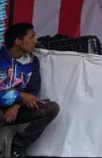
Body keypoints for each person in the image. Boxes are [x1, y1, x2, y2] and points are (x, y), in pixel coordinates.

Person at [1, 23, 59, 157]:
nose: (35, 41)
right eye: (31, 37)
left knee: (51, 108)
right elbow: (23, 95)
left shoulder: (32, 61)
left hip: (16, 109)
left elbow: (33, 91)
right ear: (18, 41)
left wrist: (16, 105)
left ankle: (18, 146)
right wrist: (19, 95)